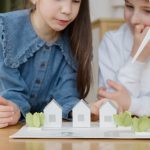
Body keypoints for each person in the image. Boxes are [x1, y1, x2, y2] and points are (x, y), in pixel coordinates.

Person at [0, 0, 92, 128]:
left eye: (76, 1)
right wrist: (11, 109)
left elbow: (67, 97)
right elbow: (9, 91)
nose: (67, 10)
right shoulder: (4, 29)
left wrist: (84, 110)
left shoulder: (76, 41)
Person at [91, 0, 150, 121]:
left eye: (147, 11)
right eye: (129, 6)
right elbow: (110, 104)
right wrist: (137, 58)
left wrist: (131, 104)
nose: (133, 20)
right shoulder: (112, 42)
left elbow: (122, 102)